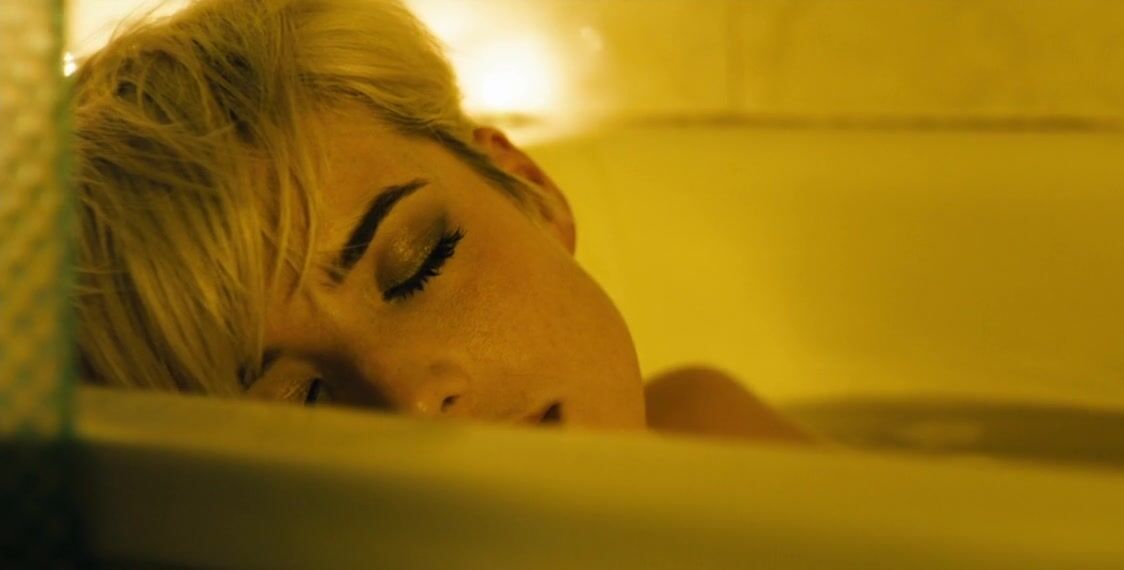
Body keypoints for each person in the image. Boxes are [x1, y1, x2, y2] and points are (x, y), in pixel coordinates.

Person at [72, 0, 811, 443]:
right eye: (300, 402)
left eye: (421, 264)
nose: (414, 399)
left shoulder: (714, 428)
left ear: (532, 190)